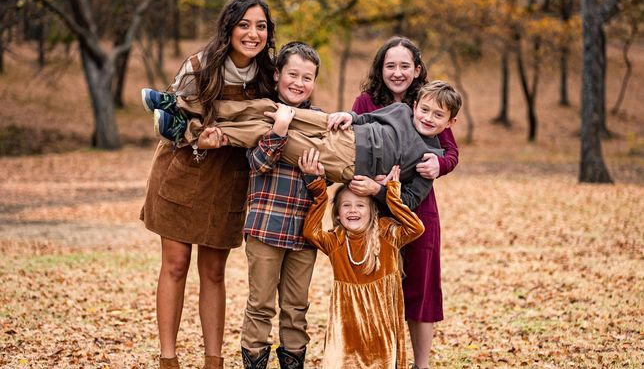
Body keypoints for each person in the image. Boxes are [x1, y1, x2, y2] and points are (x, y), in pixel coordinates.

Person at [140, 0, 276, 369]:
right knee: (176, 264)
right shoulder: (199, 67)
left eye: (260, 26)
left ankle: (212, 362)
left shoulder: (270, 75)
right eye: (244, 25)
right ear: (229, 28)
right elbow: (170, 123)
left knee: (214, 272)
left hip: (229, 178)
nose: (253, 33)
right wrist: (197, 137)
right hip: (183, 171)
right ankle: (169, 359)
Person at [143, 81, 461, 211]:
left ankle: (187, 131)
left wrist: (376, 191)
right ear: (416, 104)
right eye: (426, 109)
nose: (428, 118)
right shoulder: (401, 110)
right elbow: (369, 118)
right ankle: (181, 103)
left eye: (438, 115)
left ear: (450, 122)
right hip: (340, 130)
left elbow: (408, 201)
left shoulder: (429, 158)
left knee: (276, 133)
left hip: (347, 161)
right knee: (270, 108)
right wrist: (348, 116)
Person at [351, 36, 460, 369]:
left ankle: (421, 364)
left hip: (417, 206)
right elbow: (350, 140)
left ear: (416, 69)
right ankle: (378, 359)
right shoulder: (367, 102)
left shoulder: (429, 102)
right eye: (390, 66)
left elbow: (451, 152)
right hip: (372, 207)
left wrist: (438, 165)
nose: (397, 73)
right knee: (375, 283)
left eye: (404, 66)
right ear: (380, 68)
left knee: (421, 284)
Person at [238, 42, 321, 369]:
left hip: (303, 235)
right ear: (277, 76)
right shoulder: (261, 115)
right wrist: (280, 129)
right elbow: (256, 164)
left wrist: (315, 177)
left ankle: (293, 364)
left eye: (307, 77)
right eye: (293, 74)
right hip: (266, 228)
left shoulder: (318, 123)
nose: (299, 83)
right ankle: (254, 362)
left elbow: (323, 186)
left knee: (296, 308)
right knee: (260, 305)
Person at [298, 156, 424, 369]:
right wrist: (319, 192)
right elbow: (311, 232)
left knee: (380, 362)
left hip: (381, 319)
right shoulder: (336, 240)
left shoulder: (386, 232)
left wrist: (392, 194)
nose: (353, 210)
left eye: (360, 205)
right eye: (346, 205)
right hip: (347, 320)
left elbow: (416, 228)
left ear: (372, 210)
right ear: (338, 213)